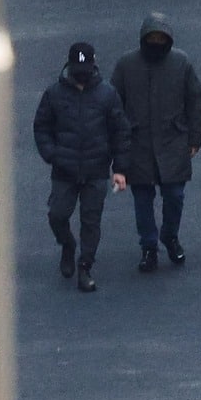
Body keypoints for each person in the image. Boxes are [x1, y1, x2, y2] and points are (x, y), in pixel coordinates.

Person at [32, 41, 131, 293]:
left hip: (96, 170)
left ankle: (85, 266)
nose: (81, 74)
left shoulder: (107, 94)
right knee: (57, 215)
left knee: (91, 221)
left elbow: (121, 132)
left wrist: (120, 169)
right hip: (64, 170)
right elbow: (41, 126)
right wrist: (52, 154)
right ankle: (67, 244)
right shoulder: (54, 94)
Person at [110, 12, 201, 272]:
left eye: (160, 38)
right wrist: (118, 144)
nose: (156, 42)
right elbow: (113, 106)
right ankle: (149, 246)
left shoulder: (181, 63)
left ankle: (170, 235)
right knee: (143, 200)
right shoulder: (126, 65)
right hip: (138, 144)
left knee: (175, 195)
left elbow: (194, 101)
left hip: (173, 141)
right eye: (151, 38)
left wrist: (195, 137)